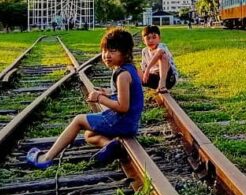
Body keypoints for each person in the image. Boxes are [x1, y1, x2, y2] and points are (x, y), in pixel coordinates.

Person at [25, 28, 143, 168]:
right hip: (131, 124)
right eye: (105, 50)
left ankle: (46, 157)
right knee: (89, 134)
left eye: (113, 51)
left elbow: (123, 107)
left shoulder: (123, 75)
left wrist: (99, 98)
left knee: (78, 120)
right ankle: (109, 145)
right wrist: (107, 92)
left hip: (121, 122)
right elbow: (125, 93)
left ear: (125, 52)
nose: (106, 55)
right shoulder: (130, 69)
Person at [139, 25, 179, 93]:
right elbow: (143, 68)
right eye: (148, 38)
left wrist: (148, 69)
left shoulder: (162, 46)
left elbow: (159, 52)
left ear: (159, 38)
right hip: (154, 78)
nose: (151, 40)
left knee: (162, 56)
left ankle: (162, 85)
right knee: (134, 70)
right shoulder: (144, 51)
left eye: (154, 37)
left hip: (168, 78)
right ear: (143, 41)